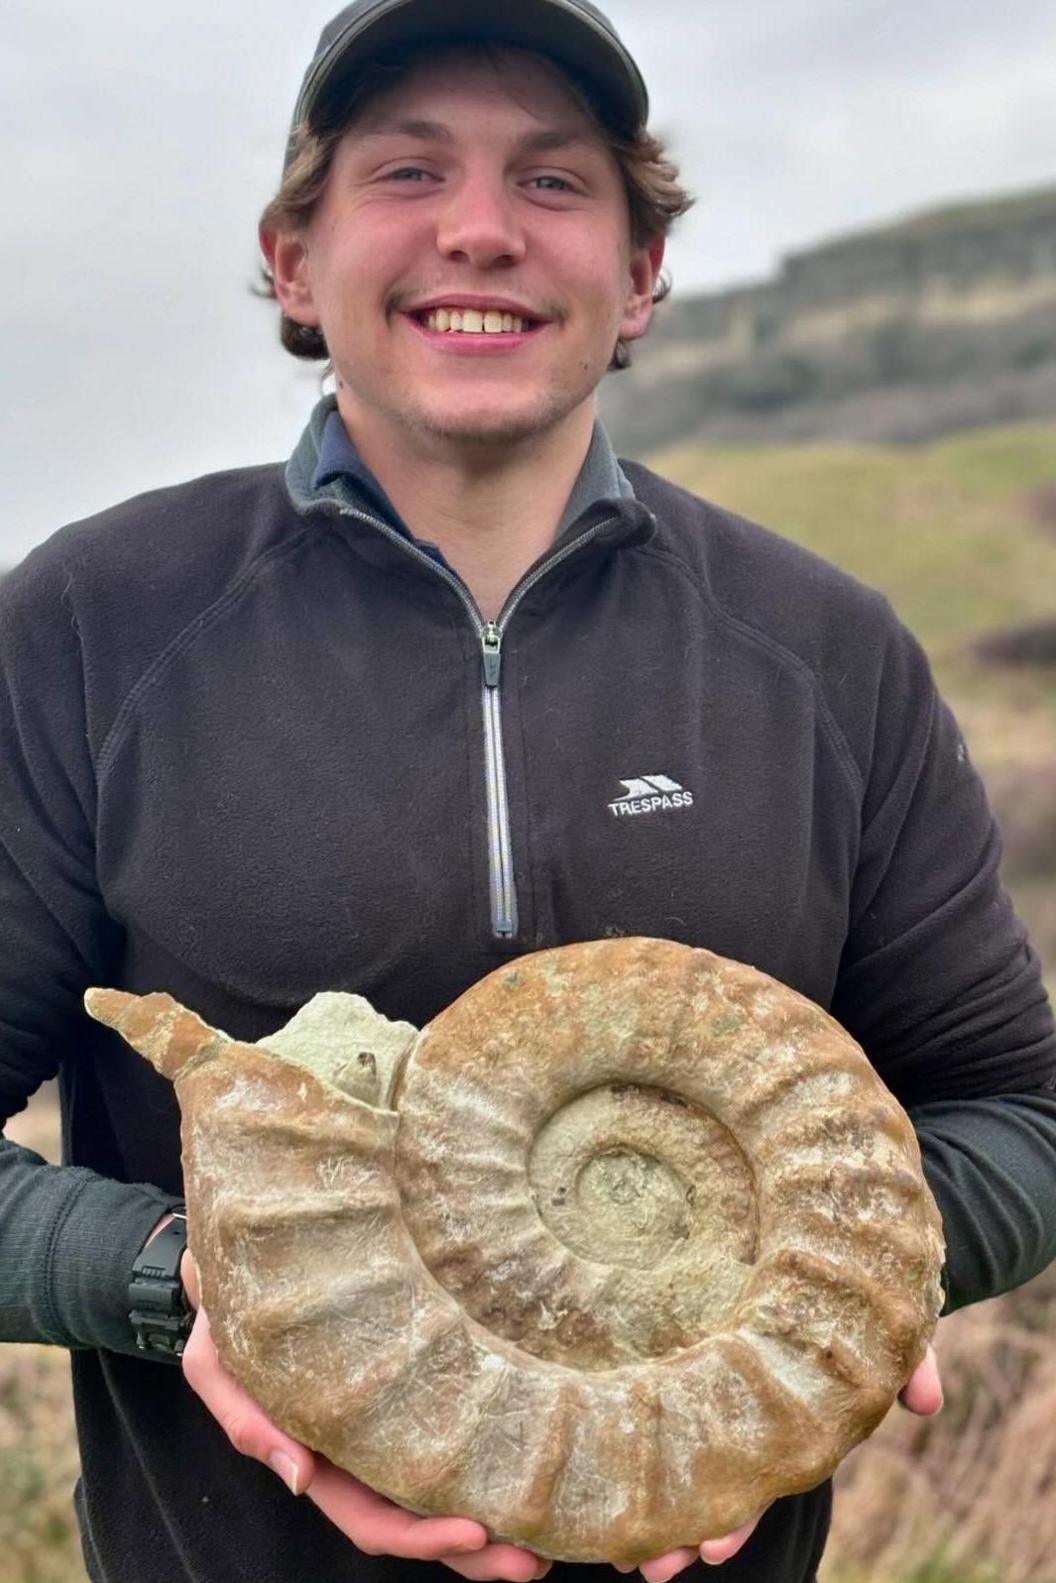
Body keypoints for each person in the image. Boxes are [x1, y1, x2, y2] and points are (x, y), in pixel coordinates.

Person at [1, 2, 1054, 1581]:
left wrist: (848, 1295)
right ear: (295, 259)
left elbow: (1020, 1118)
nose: (481, 231)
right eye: (408, 173)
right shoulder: (95, 625)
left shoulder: (823, 652)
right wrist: (196, 1287)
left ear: (639, 278)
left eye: (554, 184)